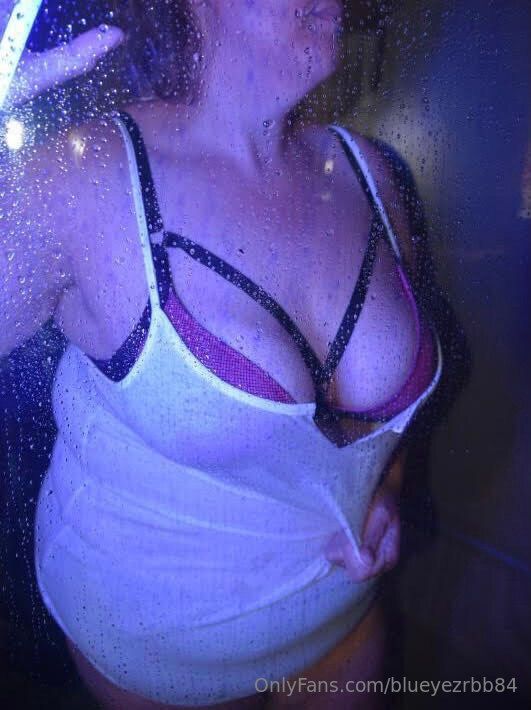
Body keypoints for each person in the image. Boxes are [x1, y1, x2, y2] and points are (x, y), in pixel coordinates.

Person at [0, 1, 442, 708]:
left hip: (342, 617)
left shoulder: (371, 172)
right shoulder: (83, 178)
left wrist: (383, 485)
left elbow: (389, 416)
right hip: (163, 650)